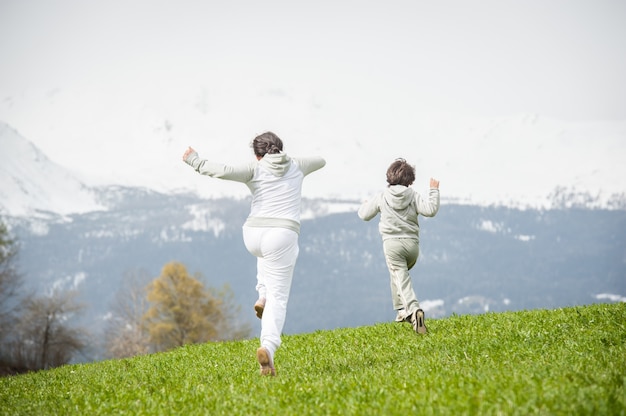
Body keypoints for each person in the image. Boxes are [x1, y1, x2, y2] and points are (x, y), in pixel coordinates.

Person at [182, 132, 325, 375]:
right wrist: (293, 162)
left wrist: (194, 159)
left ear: (258, 155)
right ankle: (267, 348)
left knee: (267, 256)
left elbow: (222, 170)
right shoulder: (297, 165)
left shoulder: (254, 168)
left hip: (253, 234)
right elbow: (321, 160)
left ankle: (262, 294)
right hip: (281, 234)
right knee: (279, 296)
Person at [357, 158, 439, 334]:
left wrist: (364, 205)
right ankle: (402, 311)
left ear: (390, 176)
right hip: (412, 247)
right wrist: (434, 190)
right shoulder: (413, 195)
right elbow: (430, 210)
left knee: (400, 276)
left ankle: (413, 309)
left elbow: (364, 215)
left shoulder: (382, 196)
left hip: (392, 244)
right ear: (410, 179)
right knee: (397, 275)